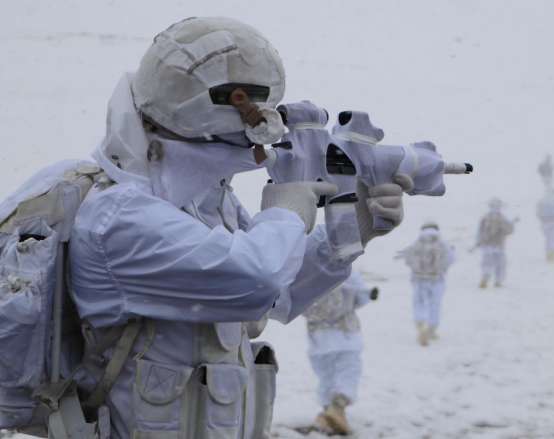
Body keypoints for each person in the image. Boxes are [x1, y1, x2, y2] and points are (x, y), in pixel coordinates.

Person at [67, 17, 408, 439]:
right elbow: (256, 281)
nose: (263, 129)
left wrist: (352, 228)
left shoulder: (204, 201)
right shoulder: (119, 216)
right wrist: (285, 212)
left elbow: (279, 295)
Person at [303, 270, 378, 435]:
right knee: (348, 373)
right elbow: (360, 297)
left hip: (318, 340)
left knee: (326, 378)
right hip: (345, 336)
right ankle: (337, 408)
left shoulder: (306, 271)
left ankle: (329, 414)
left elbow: (296, 304)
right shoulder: (347, 270)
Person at [398, 222, 456, 346]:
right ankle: (432, 329)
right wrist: (442, 269)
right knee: (435, 305)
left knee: (419, 303)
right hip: (437, 280)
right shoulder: (442, 243)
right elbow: (450, 259)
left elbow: (408, 258)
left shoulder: (418, 241)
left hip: (419, 279)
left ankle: (421, 325)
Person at [474, 198, 517, 289]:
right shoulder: (502, 218)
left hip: (487, 246)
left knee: (487, 263)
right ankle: (498, 281)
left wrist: (479, 242)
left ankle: (485, 279)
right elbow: (509, 231)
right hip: (499, 245)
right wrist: (512, 224)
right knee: (500, 264)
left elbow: (479, 232)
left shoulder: (485, 218)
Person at [536, 189, 554, 262]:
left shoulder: (541, 201)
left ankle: (549, 255)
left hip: (546, 223)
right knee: (553, 239)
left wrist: (543, 218)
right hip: (553, 223)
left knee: (548, 239)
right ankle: (551, 255)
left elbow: (538, 213)